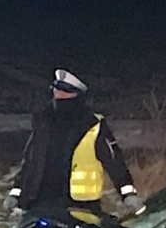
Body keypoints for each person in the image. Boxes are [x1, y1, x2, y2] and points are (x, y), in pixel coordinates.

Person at [10, 69, 142, 213]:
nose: (59, 94)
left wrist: (127, 192)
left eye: (64, 91)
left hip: (80, 206)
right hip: (40, 202)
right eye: (56, 89)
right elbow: (30, 162)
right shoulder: (43, 121)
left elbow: (114, 162)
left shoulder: (93, 124)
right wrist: (16, 192)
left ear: (76, 94)